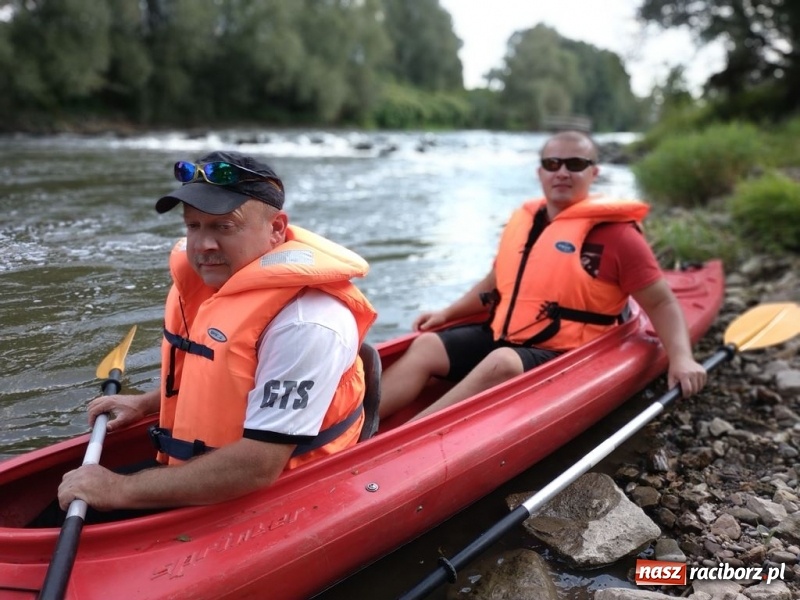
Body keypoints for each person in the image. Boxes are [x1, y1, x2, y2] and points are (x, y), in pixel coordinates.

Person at [54, 150, 377, 519]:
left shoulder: (306, 321)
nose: (204, 244)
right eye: (194, 226)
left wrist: (117, 489)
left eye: (223, 227)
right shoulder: (217, 282)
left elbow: (257, 465)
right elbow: (223, 379)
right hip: (205, 469)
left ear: (276, 229)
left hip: (275, 492)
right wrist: (146, 403)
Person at [379, 131, 707, 422]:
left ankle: (408, 434)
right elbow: (496, 279)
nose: (562, 172)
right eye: (552, 164)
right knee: (427, 345)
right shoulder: (526, 221)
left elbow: (661, 302)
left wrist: (681, 358)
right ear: (540, 172)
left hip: (567, 353)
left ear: (594, 172)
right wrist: (447, 313)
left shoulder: (618, 236)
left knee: (502, 362)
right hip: (508, 334)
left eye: (575, 164)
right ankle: (352, 432)